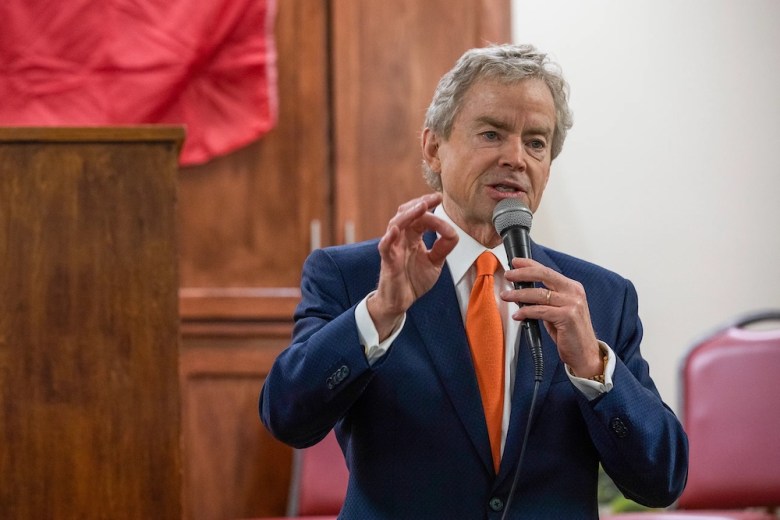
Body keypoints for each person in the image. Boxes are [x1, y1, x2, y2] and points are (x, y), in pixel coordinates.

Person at [260, 43, 688, 519]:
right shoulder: (353, 276)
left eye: (536, 142)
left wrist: (591, 365)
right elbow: (288, 418)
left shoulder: (600, 299)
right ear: (433, 147)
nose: (516, 158)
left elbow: (661, 480)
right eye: (491, 133)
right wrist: (379, 314)